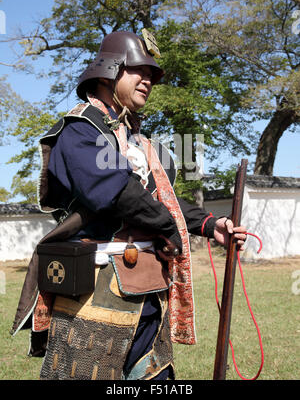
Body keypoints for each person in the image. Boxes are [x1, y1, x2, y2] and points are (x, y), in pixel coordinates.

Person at [11, 30, 247, 380]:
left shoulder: (136, 138)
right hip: (92, 300)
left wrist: (211, 225)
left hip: (149, 294)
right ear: (110, 70)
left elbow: (158, 196)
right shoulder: (80, 129)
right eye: (139, 70)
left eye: (152, 74)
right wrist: (168, 227)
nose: (148, 80)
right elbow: (115, 190)